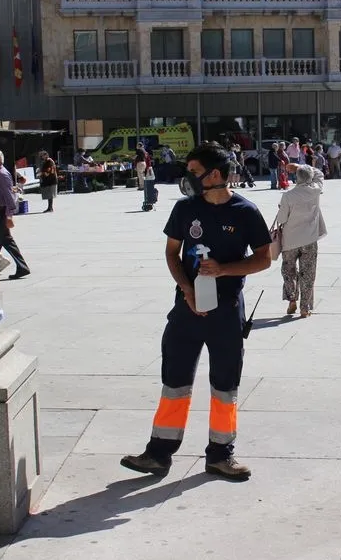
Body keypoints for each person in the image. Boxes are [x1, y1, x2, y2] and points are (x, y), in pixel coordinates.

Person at [121, 143, 272, 480]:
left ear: (214, 174)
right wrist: (187, 290)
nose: (187, 175)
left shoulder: (245, 211)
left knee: (224, 385)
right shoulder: (184, 209)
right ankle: (158, 453)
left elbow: (264, 258)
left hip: (226, 311)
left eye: (193, 169)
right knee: (174, 381)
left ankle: (221, 454)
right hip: (186, 310)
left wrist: (224, 269)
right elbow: (172, 254)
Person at [277, 165, 327, 318]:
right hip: (309, 239)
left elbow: (281, 219)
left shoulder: (288, 196)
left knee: (289, 271)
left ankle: (292, 298)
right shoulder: (316, 190)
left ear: (296, 178)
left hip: (290, 239)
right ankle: (305, 307)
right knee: (308, 273)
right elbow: (320, 174)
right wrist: (300, 166)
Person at [0, 150, 31, 279]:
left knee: (4, 240)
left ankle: (22, 267)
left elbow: (9, 197)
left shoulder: (2, 174)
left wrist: (9, 216)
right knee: (0, 240)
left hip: (1, 212)